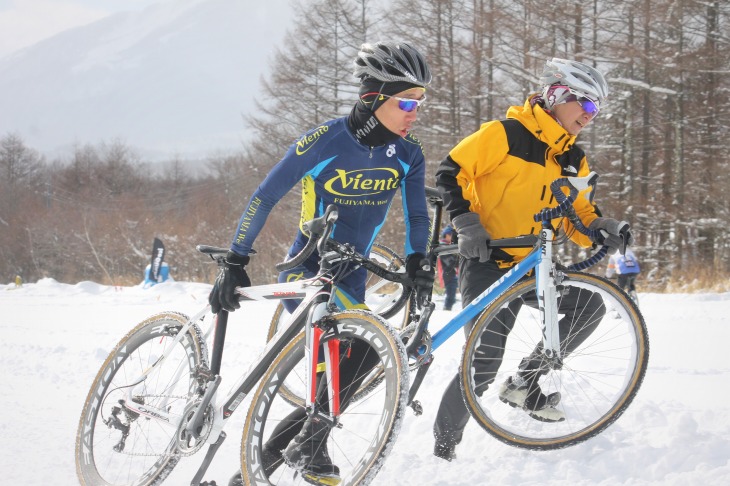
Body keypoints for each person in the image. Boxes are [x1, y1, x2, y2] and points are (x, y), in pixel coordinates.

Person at [208, 41, 435, 486]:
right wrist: (236, 258)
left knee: (341, 381)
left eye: (421, 101)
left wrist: (418, 264)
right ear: (372, 99)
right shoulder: (327, 140)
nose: (415, 111)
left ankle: (253, 474)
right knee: (354, 360)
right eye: (407, 101)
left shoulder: (409, 154)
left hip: (352, 275)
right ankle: (302, 452)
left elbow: (418, 216)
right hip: (308, 272)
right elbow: (265, 196)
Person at [432, 58, 633, 461]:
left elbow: (579, 216)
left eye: (598, 110)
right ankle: (444, 446)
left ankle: (525, 381)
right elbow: (451, 171)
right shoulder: (505, 134)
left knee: (588, 306)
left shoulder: (575, 159)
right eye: (588, 106)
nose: (591, 117)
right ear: (558, 95)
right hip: (489, 259)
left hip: (535, 265)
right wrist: (467, 223)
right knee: (484, 361)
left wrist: (601, 229)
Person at [438, 225, 459, 310]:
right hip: (448, 274)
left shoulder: (448, 247)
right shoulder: (443, 247)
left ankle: (448, 307)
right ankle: (447, 308)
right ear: (446, 235)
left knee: (452, 293)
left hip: (451, 273)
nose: (453, 238)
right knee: (450, 294)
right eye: (451, 235)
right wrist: (458, 260)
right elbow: (450, 262)